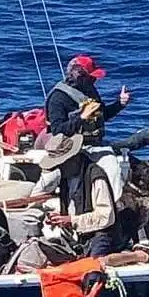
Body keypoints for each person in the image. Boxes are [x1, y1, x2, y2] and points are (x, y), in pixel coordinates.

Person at [32, 55, 130, 201]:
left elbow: (102, 116)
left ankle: (114, 208)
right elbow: (58, 130)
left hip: (95, 146)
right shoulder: (58, 98)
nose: (94, 81)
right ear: (79, 76)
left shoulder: (90, 91)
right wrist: (81, 117)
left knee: (114, 171)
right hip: (68, 149)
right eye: (91, 78)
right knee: (71, 183)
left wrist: (120, 104)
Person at [40, 133, 122, 258]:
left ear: (74, 158)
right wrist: (60, 217)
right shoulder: (66, 178)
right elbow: (73, 207)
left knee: (92, 263)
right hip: (78, 236)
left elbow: (106, 216)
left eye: (62, 164)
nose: (60, 169)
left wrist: (72, 220)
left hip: (102, 235)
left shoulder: (95, 176)